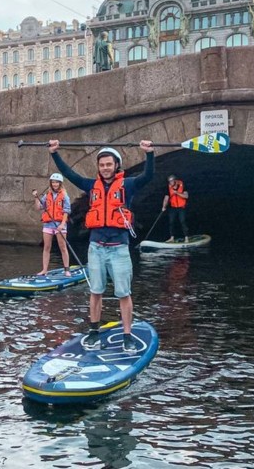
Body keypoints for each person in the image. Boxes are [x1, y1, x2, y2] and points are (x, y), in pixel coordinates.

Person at [48, 138, 154, 353]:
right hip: (96, 247)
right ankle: (94, 331)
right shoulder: (90, 186)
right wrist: (54, 154)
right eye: (102, 164)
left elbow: (148, 176)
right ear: (99, 167)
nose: (105, 168)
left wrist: (150, 155)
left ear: (116, 166)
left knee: (124, 293)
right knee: (96, 291)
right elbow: (70, 175)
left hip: (119, 249)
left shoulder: (128, 185)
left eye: (109, 164)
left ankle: (127, 335)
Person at [32, 173, 71, 277]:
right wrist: (36, 198)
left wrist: (62, 224)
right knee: (47, 247)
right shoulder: (47, 195)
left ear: (60, 183)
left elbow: (66, 211)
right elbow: (39, 207)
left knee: (62, 247)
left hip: (59, 224)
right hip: (48, 225)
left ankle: (67, 270)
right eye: (53, 182)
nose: (55, 184)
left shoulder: (64, 196)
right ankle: (44, 270)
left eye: (57, 182)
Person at [162, 175, 189, 243]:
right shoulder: (168, 187)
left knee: (182, 221)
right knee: (171, 222)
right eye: (169, 181)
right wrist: (164, 206)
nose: (170, 183)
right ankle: (172, 238)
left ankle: (186, 238)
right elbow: (166, 198)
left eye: (171, 181)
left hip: (181, 207)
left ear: (175, 180)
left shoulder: (182, 185)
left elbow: (186, 196)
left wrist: (177, 193)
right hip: (173, 207)